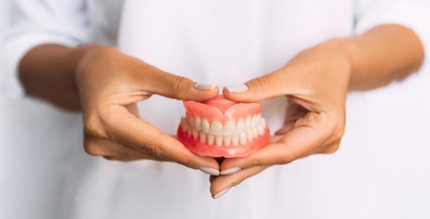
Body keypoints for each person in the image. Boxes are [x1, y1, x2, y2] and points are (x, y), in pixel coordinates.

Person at [3, 0, 430, 218]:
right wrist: (84, 69)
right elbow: (31, 42)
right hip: (125, 206)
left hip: (320, 204)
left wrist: (347, 61)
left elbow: (406, 30)